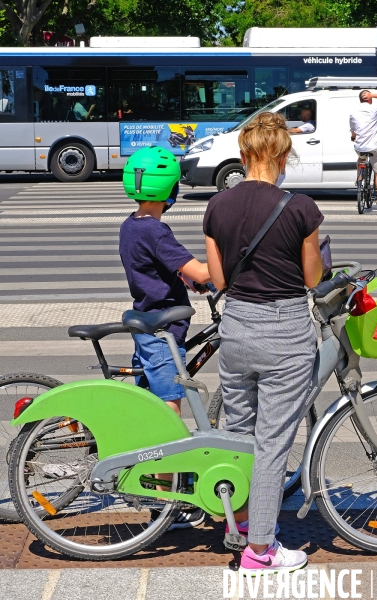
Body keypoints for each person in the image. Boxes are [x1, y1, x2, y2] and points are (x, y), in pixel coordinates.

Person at [203, 111, 324, 575]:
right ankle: (259, 551)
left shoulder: (217, 206)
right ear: (283, 154)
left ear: (243, 153)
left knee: (239, 434)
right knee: (273, 444)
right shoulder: (300, 208)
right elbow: (312, 277)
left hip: (236, 329)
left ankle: (238, 519)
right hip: (285, 332)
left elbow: (218, 278)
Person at [119, 146, 211, 529]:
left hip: (147, 323)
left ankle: (159, 484)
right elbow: (203, 272)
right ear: (171, 189)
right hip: (161, 333)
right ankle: (166, 503)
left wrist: (182, 278)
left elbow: (159, 270)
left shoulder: (131, 224)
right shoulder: (156, 231)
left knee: (149, 404)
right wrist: (217, 271)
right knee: (168, 411)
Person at [350, 90, 377, 212]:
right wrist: (372, 95)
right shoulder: (374, 108)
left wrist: (353, 137)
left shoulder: (353, 112)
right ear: (369, 99)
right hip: (374, 147)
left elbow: (353, 131)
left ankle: (359, 178)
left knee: (361, 157)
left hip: (360, 147)